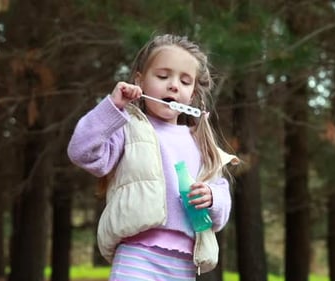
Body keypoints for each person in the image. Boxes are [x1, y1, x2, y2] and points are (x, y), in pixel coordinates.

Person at [67, 34, 239, 280]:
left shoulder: (200, 143)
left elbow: (221, 203)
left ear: (192, 95)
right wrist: (113, 107)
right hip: (137, 254)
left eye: (185, 80)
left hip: (185, 262)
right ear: (140, 81)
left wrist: (213, 198)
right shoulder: (126, 128)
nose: (173, 85)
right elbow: (81, 152)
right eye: (162, 76)